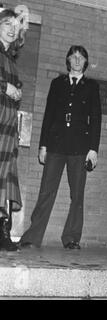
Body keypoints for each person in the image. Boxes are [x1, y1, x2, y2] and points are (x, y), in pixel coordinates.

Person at [19, 45, 102, 249]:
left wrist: (93, 149)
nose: (76, 60)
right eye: (73, 57)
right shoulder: (57, 83)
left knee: (77, 196)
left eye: (81, 57)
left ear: (85, 62)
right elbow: (49, 115)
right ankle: (32, 237)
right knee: (46, 191)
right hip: (55, 145)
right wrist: (43, 145)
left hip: (80, 148)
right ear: (68, 60)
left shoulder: (92, 86)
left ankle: (71, 238)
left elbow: (96, 119)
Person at [0, 8, 27, 251]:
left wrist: (15, 90)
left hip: (7, 126)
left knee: (4, 176)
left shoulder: (9, 57)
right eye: (6, 23)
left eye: (14, 26)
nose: (11, 28)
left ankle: (2, 230)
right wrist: (5, 86)